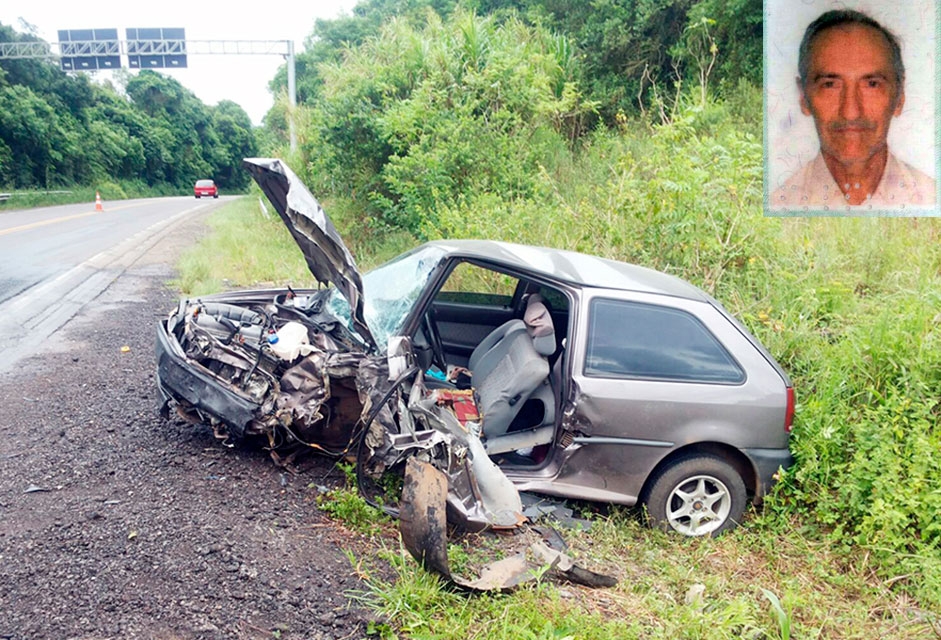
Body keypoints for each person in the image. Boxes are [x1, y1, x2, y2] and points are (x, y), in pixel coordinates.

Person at [771, 9, 936, 210]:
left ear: (900, 96)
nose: (850, 112)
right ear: (803, 97)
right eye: (830, 85)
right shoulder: (781, 203)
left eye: (872, 84)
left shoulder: (932, 199)